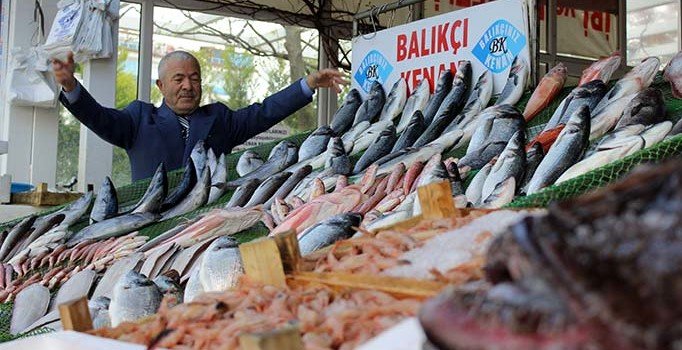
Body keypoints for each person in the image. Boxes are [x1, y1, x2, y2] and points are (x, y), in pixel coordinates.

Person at [53, 50, 346, 181]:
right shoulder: (138, 119)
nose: (188, 86)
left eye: (194, 78)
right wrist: (70, 85)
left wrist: (307, 85)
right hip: (146, 229)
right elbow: (98, 117)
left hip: (206, 226)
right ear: (161, 85)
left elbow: (264, 112)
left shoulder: (219, 119)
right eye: (179, 78)